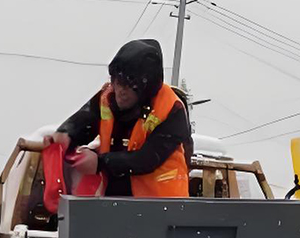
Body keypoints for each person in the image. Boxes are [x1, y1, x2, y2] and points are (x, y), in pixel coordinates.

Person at [44, 39, 191, 197]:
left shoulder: (172, 109)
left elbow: (147, 159)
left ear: (145, 88)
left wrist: (100, 163)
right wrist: (67, 134)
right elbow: (86, 119)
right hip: (115, 201)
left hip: (162, 207)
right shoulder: (107, 98)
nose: (121, 91)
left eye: (129, 85)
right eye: (117, 82)